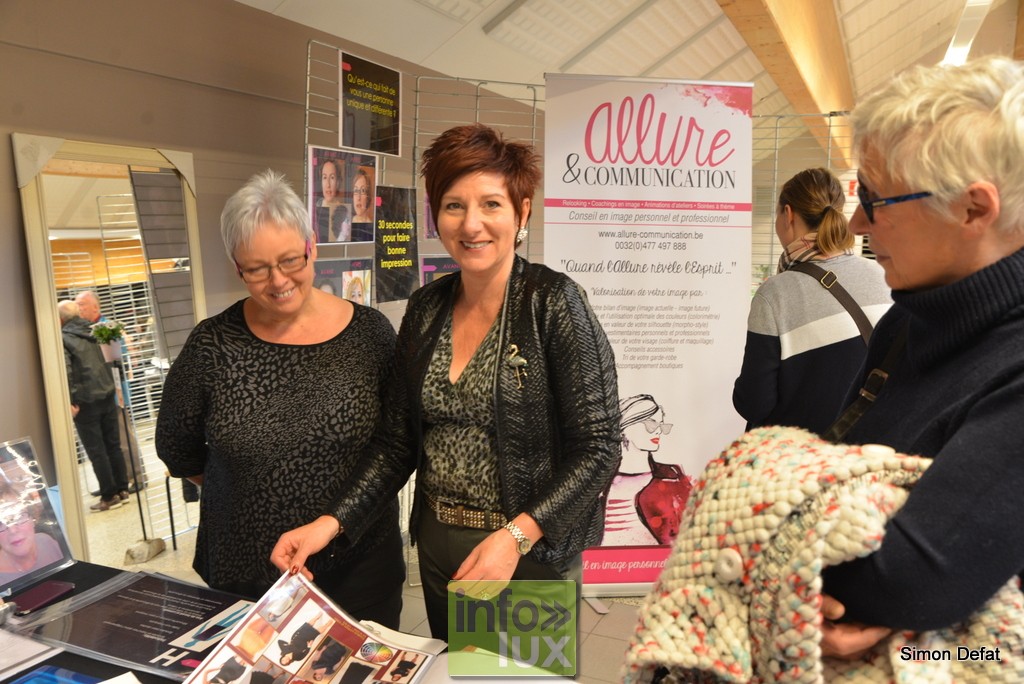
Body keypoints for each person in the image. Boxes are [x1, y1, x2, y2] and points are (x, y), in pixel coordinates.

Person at [271, 123, 620, 640]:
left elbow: (600, 446)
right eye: (454, 205)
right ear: (436, 215)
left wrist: (516, 538)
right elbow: (396, 443)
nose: (472, 223)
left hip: (524, 551)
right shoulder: (426, 308)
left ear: (522, 213)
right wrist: (330, 523)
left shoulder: (554, 303)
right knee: (457, 676)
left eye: (491, 205)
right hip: (439, 545)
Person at [815, 56, 1024, 659]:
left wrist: (885, 601)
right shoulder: (908, 322)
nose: (856, 222)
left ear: (973, 209)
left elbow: (907, 578)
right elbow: (831, 473)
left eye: (875, 198)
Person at [155, 170, 405, 628]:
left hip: (359, 570)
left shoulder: (370, 335)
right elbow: (176, 446)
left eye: (291, 260)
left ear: (312, 245)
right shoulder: (212, 346)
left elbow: (395, 445)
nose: (278, 281)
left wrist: (336, 519)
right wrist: (247, 496)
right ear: (237, 266)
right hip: (249, 577)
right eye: (257, 268)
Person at [732, 167, 891, 435]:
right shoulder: (882, 276)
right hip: (868, 448)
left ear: (788, 214)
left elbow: (754, 404)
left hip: (800, 461)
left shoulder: (775, 295)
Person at [59, 300, 131, 511]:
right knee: (113, 445)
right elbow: (114, 359)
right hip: (108, 393)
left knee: (96, 450)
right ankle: (122, 489)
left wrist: (71, 400)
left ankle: (108, 496)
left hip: (85, 400)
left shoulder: (63, 339)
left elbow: (67, 371)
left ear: (61, 319)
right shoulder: (98, 330)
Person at [603, 394, 692, 547]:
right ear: (623, 427)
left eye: (662, 425)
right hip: (602, 566)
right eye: (651, 424)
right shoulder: (598, 480)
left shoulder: (672, 476)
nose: (658, 431)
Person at [0, 482, 64, 585]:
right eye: (0, 523)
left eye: (20, 516)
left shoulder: (47, 541)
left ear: (33, 518)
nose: (13, 530)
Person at [315, 158, 352, 242]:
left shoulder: (343, 210)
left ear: (338, 182)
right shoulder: (315, 207)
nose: (328, 184)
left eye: (332, 177)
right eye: (324, 177)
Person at [350, 168, 374, 242]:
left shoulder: (371, 228)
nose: (358, 197)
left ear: (368, 196)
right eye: (356, 190)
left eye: (363, 191)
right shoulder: (346, 222)